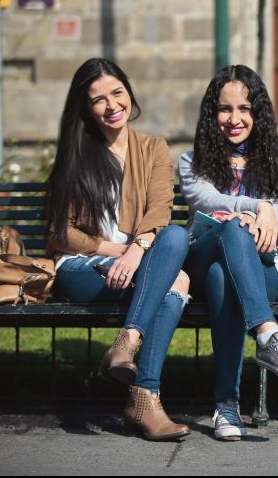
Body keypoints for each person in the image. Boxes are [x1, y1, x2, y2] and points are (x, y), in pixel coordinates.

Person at [45, 58, 191, 441]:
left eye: (117, 93)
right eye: (98, 99)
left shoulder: (153, 148)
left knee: (174, 237)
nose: (112, 106)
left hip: (135, 264)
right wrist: (114, 249)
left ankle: (128, 350)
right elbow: (60, 233)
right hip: (83, 268)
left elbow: (161, 208)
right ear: (86, 108)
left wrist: (136, 251)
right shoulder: (76, 154)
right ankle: (145, 400)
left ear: (129, 93)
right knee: (177, 280)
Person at [178, 65, 278, 441]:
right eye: (225, 109)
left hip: (263, 265)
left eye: (245, 109)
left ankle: (226, 405)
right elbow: (206, 201)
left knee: (222, 277)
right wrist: (257, 208)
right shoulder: (192, 163)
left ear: (259, 113)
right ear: (212, 115)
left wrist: (270, 215)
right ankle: (269, 334)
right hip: (203, 254)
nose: (235, 118)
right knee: (233, 228)